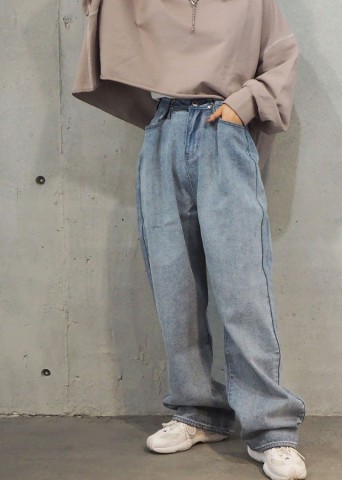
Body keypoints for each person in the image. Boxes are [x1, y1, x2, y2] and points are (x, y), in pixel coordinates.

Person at [72, 1, 307, 479]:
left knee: (243, 287)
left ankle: (272, 430)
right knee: (174, 284)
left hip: (224, 131)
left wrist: (244, 105)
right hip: (164, 129)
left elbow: (282, 55)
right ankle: (197, 411)